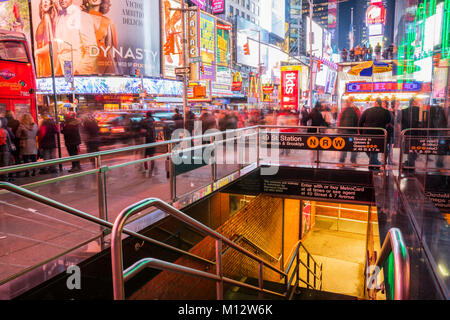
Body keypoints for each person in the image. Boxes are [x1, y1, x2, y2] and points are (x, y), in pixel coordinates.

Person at [54, 0, 97, 75]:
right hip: (60, 67)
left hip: (76, 65)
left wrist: (81, 70)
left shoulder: (82, 16)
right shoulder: (58, 18)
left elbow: (92, 47)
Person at [81, 0, 118, 74]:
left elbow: (112, 48)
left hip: (103, 62)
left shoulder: (108, 22)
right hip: (84, 62)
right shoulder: (79, 18)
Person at [359, 98, 393, 170]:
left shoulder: (367, 111)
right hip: (380, 134)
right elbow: (389, 121)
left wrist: (361, 133)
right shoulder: (386, 112)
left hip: (367, 133)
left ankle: (374, 163)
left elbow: (360, 122)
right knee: (378, 149)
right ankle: (375, 163)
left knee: (369, 149)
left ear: (376, 103)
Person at [34, 0, 57, 77]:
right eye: (43, 1)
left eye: (47, 1)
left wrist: (36, 52)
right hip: (42, 59)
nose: (45, 2)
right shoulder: (45, 18)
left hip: (45, 59)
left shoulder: (47, 17)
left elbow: (49, 45)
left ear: (51, 4)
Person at [337, 97, 360, 167]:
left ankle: (342, 162)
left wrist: (339, 130)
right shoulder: (356, 110)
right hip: (352, 131)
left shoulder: (344, 110)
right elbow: (359, 120)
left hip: (345, 131)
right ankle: (352, 161)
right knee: (353, 146)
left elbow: (340, 120)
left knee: (344, 146)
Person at [429, 103, 447, 170]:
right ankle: (439, 161)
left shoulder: (432, 115)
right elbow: (443, 123)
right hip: (440, 133)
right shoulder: (440, 113)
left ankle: (439, 161)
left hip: (437, 133)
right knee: (440, 146)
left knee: (438, 147)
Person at [140, 111, 156, 176]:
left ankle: (146, 170)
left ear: (146, 115)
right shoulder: (153, 121)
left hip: (145, 140)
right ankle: (151, 172)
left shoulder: (143, 121)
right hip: (152, 140)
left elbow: (141, 131)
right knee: (152, 156)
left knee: (145, 156)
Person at [0, 117, 15, 182]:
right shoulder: (5, 131)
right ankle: (5, 181)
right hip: (6, 150)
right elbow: (9, 141)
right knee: (5, 166)